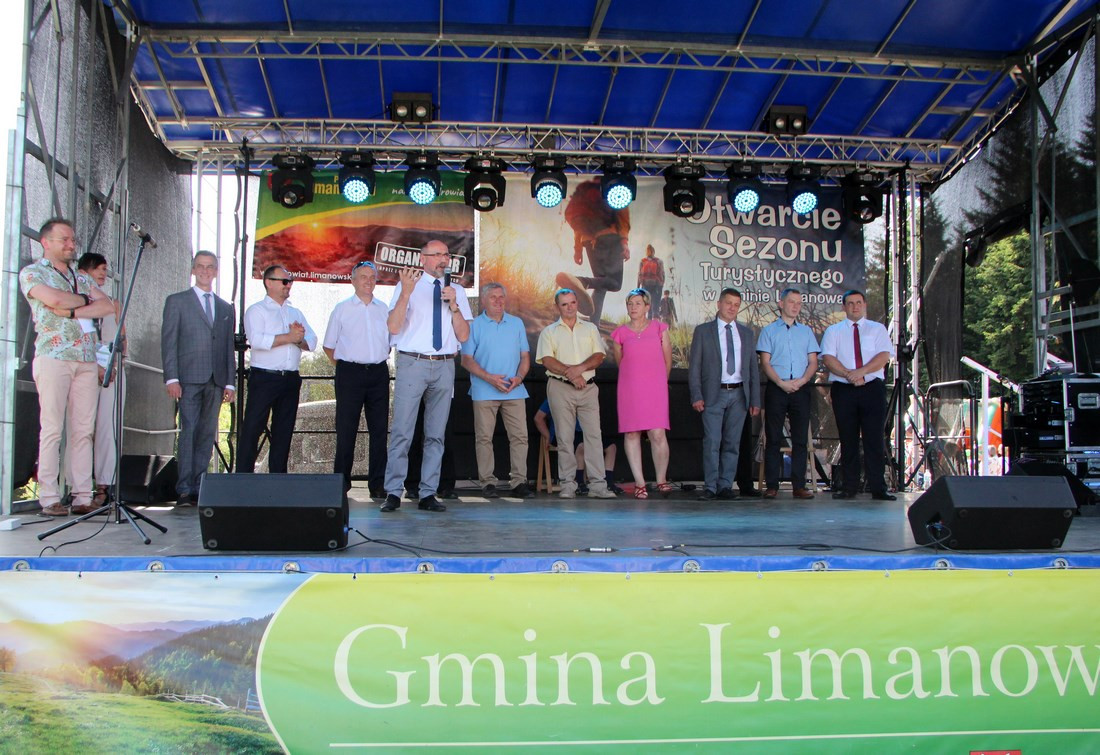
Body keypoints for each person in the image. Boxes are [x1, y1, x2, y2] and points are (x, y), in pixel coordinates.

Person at [19, 218, 115, 516]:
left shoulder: (81, 277)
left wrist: (72, 309)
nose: (71, 245)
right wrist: (84, 302)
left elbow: (108, 305)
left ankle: (82, 495)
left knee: (83, 430)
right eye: (65, 240)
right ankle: (49, 497)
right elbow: (53, 298)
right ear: (46, 242)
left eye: (73, 239)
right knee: (52, 428)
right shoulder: (33, 273)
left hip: (86, 359)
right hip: (54, 356)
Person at [381, 240, 472, 513]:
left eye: (446, 255)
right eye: (437, 255)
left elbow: (464, 336)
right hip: (413, 362)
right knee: (402, 431)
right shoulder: (408, 286)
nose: (444, 259)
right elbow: (393, 326)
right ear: (423, 259)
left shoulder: (456, 290)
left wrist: (454, 305)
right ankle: (393, 492)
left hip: (444, 365)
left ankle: (428, 493)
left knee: (436, 434)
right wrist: (405, 294)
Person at [161, 251, 237, 505]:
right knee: (189, 430)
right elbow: (169, 342)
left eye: (210, 267)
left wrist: (230, 382)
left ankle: (199, 486)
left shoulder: (225, 308)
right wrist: (171, 378)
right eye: (200, 266)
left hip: (216, 380)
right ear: (193, 270)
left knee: (206, 434)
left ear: (216, 271)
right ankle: (184, 488)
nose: (205, 271)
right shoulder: (177, 301)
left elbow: (227, 346)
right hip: (188, 378)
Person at [535, 288, 616, 499]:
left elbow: (598, 356)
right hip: (560, 388)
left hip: (588, 388)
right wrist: (572, 375)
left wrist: (578, 370)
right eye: (564, 304)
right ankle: (568, 485)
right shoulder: (549, 332)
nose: (570, 307)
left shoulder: (590, 328)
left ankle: (598, 486)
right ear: (557, 307)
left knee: (594, 436)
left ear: (577, 303)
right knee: (564, 437)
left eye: (572, 302)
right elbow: (547, 360)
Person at [238, 265, 316, 474]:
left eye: (290, 281)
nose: (288, 285)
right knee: (253, 428)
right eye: (284, 281)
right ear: (268, 282)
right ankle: (243, 478)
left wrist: (298, 340)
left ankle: (278, 479)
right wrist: (289, 337)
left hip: (290, 378)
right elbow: (257, 340)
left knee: (284, 431)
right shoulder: (257, 310)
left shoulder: (295, 312)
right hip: (264, 377)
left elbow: (312, 341)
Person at [322, 260, 391, 497]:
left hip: (379, 373)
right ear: (352, 280)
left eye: (372, 277)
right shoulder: (342, 309)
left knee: (379, 430)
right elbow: (328, 346)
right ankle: (341, 483)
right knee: (346, 429)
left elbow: (389, 344)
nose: (368, 281)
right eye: (363, 276)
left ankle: (378, 484)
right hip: (349, 373)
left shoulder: (384, 309)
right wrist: (346, 368)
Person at [820, 289, 896, 501]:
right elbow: (828, 358)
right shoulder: (834, 331)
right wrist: (849, 375)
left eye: (859, 303)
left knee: (874, 438)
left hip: (872, 388)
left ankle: (878, 488)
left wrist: (861, 373)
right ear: (844, 307)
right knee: (848, 439)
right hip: (844, 389)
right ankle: (849, 487)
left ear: (864, 305)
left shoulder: (877, 329)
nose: (855, 306)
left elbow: (883, 356)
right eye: (850, 303)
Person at [688, 287, 761, 500]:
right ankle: (710, 487)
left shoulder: (746, 334)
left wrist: (755, 399)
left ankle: (725, 486)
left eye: (736, 305)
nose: (732, 308)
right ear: (719, 304)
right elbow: (695, 367)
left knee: (732, 443)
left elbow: (753, 369)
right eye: (728, 303)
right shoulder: (703, 331)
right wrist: (696, 395)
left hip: (739, 395)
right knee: (712, 441)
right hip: (714, 394)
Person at [461, 282, 532, 498]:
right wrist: (490, 378)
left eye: (501, 297)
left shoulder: (516, 323)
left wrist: (519, 378)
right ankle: (488, 483)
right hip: (484, 390)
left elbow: (525, 357)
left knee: (520, 437)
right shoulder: (474, 325)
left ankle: (519, 482)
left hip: (514, 390)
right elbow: (466, 360)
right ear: (483, 300)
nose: (498, 301)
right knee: (484, 438)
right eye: (493, 297)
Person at [756, 288, 820, 499]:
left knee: (800, 439)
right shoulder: (769, 331)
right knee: (773, 437)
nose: (795, 306)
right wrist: (780, 383)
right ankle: (772, 485)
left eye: (799, 303)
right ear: (781, 303)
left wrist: (802, 380)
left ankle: (799, 486)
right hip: (777, 388)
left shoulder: (806, 332)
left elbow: (813, 362)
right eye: (791, 302)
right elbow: (765, 363)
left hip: (801, 388)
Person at [611, 288, 672, 498]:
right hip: (630, 388)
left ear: (647, 307)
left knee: (657, 433)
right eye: (630, 304)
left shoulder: (659, 328)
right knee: (632, 433)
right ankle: (640, 483)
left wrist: (660, 383)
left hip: (655, 388)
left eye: (638, 303)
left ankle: (661, 479)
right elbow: (621, 362)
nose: (633, 307)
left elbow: (667, 361)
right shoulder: (620, 333)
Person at [78, 252, 125, 507]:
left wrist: (114, 364)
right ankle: (78, 487)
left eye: (105, 270)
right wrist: (94, 365)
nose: (102, 274)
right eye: (98, 269)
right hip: (83, 367)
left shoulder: (113, 303)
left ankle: (104, 485)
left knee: (108, 427)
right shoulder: (76, 303)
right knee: (81, 428)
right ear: (83, 272)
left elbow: (122, 339)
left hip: (111, 370)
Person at [558, 178, 630, 324]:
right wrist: (624, 242)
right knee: (615, 283)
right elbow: (622, 217)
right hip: (610, 237)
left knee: (601, 283)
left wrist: (578, 249)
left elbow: (579, 225)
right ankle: (580, 281)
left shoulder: (586, 191)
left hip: (588, 241)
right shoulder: (615, 188)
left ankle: (593, 325)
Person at [636, 245, 665, 318]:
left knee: (648, 304)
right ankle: (653, 321)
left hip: (647, 285)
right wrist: (661, 285)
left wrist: (638, 287)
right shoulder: (659, 261)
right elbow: (662, 274)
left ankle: (648, 321)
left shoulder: (643, 261)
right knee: (655, 305)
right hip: (655, 285)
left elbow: (639, 274)